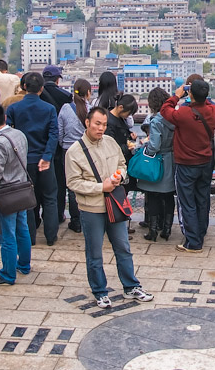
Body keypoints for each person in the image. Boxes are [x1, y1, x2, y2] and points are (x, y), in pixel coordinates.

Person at [65, 107, 154, 309]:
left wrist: (119, 176)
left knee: (123, 247)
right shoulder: (75, 152)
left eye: (104, 124)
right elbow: (73, 183)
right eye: (97, 123)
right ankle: (99, 290)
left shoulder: (110, 142)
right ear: (87, 123)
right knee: (94, 252)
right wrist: (100, 187)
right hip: (91, 207)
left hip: (114, 202)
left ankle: (131, 285)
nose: (101, 128)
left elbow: (122, 163)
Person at [160, 79, 215, 253]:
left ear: (190, 94)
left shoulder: (184, 113)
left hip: (186, 163)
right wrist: (200, 95)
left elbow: (165, 110)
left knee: (187, 202)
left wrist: (177, 95)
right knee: (202, 199)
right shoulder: (214, 111)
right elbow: (207, 104)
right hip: (206, 161)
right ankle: (200, 232)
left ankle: (193, 241)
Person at [7, 72, 60, 246]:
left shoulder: (14, 109)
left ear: (24, 87)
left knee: (28, 200)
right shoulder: (49, 109)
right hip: (44, 158)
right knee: (50, 197)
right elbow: (54, 134)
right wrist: (47, 156)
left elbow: (10, 133)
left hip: (24, 160)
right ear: (42, 89)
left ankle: (30, 237)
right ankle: (51, 236)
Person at [0, 102, 32, 286]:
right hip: (21, 188)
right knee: (22, 228)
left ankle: (8, 273)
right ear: (4, 118)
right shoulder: (18, 134)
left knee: (7, 235)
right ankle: (24, 264)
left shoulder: (0, 142)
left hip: (6, 192)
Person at [138, 87, 176, 242]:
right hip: (171, 158)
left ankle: (153, 231)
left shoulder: (156, 121)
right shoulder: (173, 118)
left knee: (153, 195)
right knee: (168, 196)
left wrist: (143, 147)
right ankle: (167, 230)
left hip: (157, 160)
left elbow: (154, 145)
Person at [39, 66, 74, 227]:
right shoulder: (65, 97)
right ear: (58, 80)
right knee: (59, 182)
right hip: (58, 145)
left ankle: (36, 215)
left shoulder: (37, 94)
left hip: (38, 141)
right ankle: (58, 214)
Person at [57, 79, 92, 233]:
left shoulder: (65, 108)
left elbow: (59, 132)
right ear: (88, 92)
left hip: (68, 150)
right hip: (85, 149)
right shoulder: (90, 109)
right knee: (86, 182)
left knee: (72, 186)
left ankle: (75, 221)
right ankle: (87, 217)